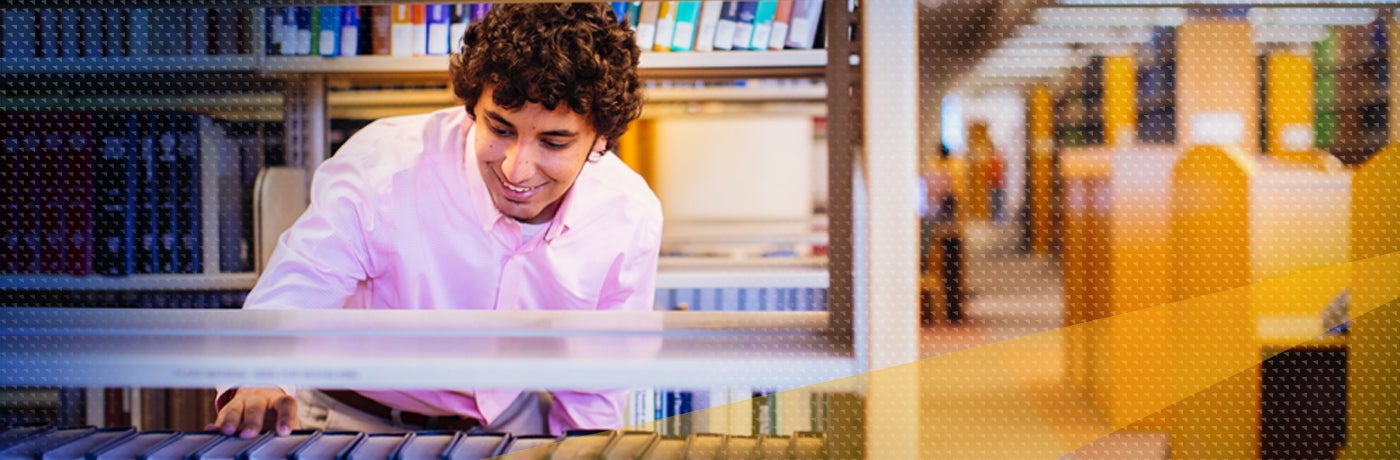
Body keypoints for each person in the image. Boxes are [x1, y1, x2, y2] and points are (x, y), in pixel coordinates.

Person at [208, 4, 659, 439]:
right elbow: (302, 282)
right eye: (500, 129)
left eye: (554, 142)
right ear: (472, 109)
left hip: (508, 426)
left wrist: (586, 449)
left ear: (601, 137)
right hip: (355, 419)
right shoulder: (385, 164)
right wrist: (260, 377)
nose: (516, 170)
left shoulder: (627, 214)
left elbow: (598, 380)